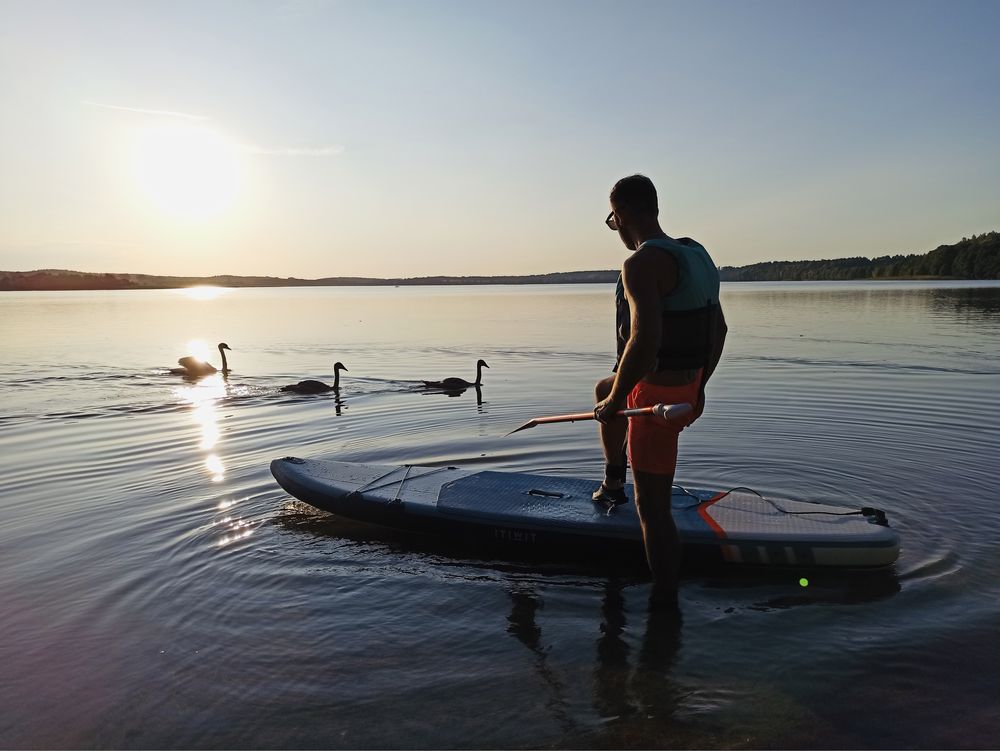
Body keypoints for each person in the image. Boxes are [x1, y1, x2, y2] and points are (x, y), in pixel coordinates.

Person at [593, 174, 727, 603]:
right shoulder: (696, 254)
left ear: (624, 213)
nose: (616, 229)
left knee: (653, 511)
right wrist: (700, 387)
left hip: (653, 403)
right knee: (603, 386)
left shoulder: (639, 265)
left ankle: (665, 608)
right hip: (687, 388)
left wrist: (619, 402)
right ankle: (614, 479)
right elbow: (719, 328)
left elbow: (645, 342)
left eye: (613, 221)